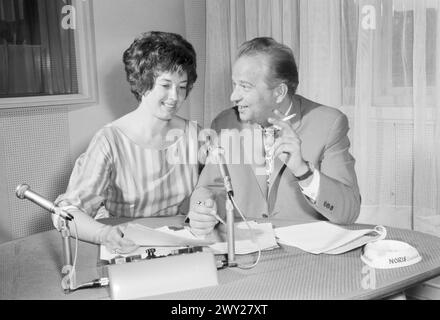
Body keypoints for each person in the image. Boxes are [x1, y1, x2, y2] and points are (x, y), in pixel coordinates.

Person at [188, 37, 361, 236]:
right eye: (234, 84)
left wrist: (303, 171)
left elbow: (349, 212)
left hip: (306, 257)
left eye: (245, 86)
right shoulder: (224, 123)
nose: (233, 96)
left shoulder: (329, 124)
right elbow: (208, 187)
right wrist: (201, 208)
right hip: (246, 249)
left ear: (279, 92)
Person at [53, 31, 200, 253]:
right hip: (126, 247)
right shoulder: (109, 141)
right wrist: (102, 234)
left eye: (181, 87)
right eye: (165, 85)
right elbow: (68, 213)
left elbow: (215, 191)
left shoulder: (195, 135)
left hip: (178, 246)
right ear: (143, 83)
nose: (174, 97)